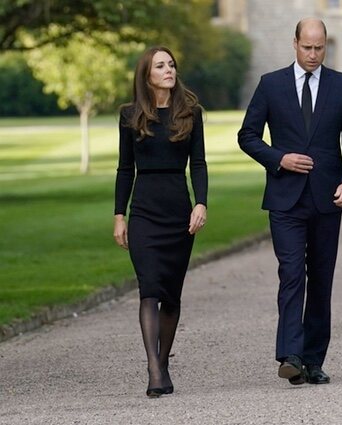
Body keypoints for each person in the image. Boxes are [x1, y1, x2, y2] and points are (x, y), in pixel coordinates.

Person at [238, 18, 342, 386]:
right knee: (292, 273)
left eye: (319, 48)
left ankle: (313, 360)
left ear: (326, 46)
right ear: (294, 43)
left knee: (321, 280)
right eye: (307, 47)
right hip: (285, 198)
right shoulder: (271, 84)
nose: (313, 55)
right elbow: (247, 135)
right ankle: (290, 354)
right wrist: (279, 158)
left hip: (328, 198)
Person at [113, 46, 207, 397]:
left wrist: (201, 203)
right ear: (147, 75)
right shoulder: (130, 115)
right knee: (149, 288)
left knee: (171, 294)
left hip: (178, 213)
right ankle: (154, 370)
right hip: (144, 214)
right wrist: (119, 215)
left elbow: (198, 163)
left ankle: (163, 361)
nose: (168, 70)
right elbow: (125, 169)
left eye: (171, 64)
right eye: (160, 65)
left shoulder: (190, 113)